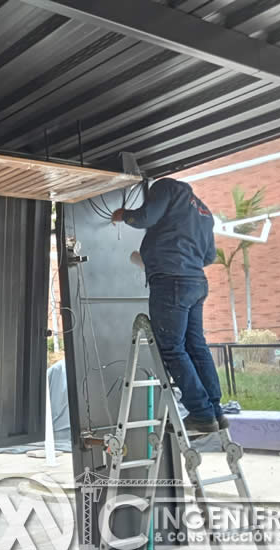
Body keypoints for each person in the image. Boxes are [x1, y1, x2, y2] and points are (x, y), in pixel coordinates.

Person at [112, 178, 226, 434]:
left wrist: (123, 215)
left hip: (170, 282)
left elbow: (145, 217)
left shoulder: (166, 188)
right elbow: (208, 256)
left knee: (173, 349)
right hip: (195, 282)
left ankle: (200, 412)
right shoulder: (204, 211)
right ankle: (215, 411)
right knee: (195, 346)